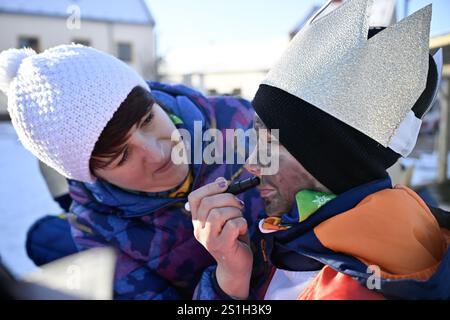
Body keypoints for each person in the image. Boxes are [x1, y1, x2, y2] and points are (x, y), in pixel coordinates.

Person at [190, 0, 450, 299]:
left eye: (271, 141)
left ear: (327, 159)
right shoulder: (301, 238)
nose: (251, 164)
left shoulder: (347, 290)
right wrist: (232, 276)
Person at [0, 44, 265, 299]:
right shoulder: (98, 233)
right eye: (121, 156)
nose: (159, 154)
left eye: (148, 119)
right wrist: (229, 278)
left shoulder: (238, 118)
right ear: (94, 176)